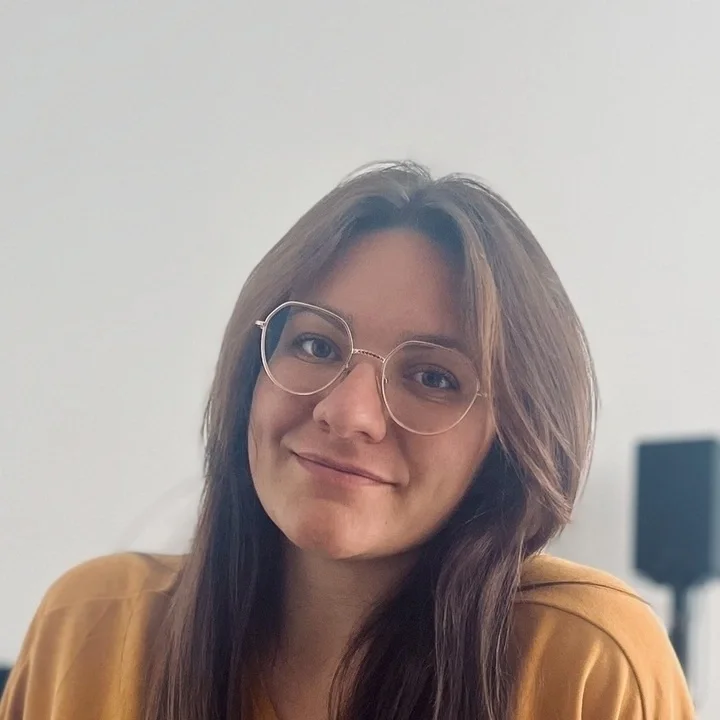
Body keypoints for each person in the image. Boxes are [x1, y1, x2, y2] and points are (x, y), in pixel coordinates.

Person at [0, 162, 694, 720]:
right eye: (315, 344)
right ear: (250, 370)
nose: (348, 412)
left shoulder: (589, 662)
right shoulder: (90, 629)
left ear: (512, 436)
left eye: (433, 377)